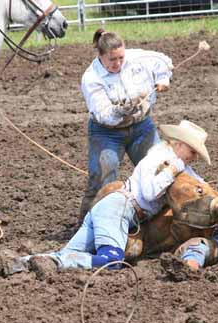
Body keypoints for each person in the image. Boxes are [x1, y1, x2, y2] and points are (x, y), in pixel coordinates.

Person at [1, 120, 211, 276]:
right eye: (192, 151)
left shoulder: (178, 165)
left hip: (112, 207)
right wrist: (170, 172)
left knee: (70, 253)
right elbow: (149, 193)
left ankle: (21, 262)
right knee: (111, 260)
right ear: (179, 144)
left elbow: (199, 185)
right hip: (119, 209)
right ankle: (53, 264)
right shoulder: (159, 159)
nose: (193, 157)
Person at [78, 28, 174, 221]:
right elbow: (104, 114)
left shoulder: (137, 58)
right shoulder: (91, 78)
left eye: (121, 57)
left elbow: (163, 61)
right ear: (100, 56)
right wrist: (121, 111)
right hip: (107, 133)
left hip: (141, 126)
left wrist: (163, 78)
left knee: (158, 170)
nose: (118, 63)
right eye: (112, 60)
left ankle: (164, 219)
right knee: (102, 177)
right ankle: (88, 223)